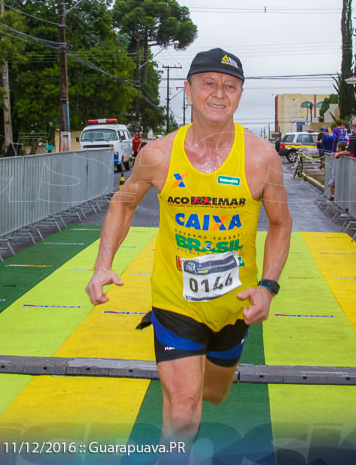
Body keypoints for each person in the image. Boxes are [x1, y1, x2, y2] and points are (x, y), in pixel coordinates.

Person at [85, 48, 292, 442]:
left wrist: (268, 286)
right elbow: (123, 202)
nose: (219, 93)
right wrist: (103, 264)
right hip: (174, 298)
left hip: (235, 302)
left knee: (212, 392)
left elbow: (281, 222)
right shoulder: (159, 155)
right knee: (184, 403)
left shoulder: (261, 157)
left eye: (230, 86)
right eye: (209, 83)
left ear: (240, 94)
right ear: (188, 90)